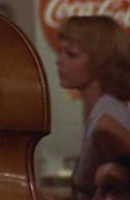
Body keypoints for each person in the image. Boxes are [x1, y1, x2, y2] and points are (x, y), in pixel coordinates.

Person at [55, 15, 130, 200]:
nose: (59, 60)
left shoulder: (105, 118)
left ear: (101, 61)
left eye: (71, 54)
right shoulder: (102, 110)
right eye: (61, 51)